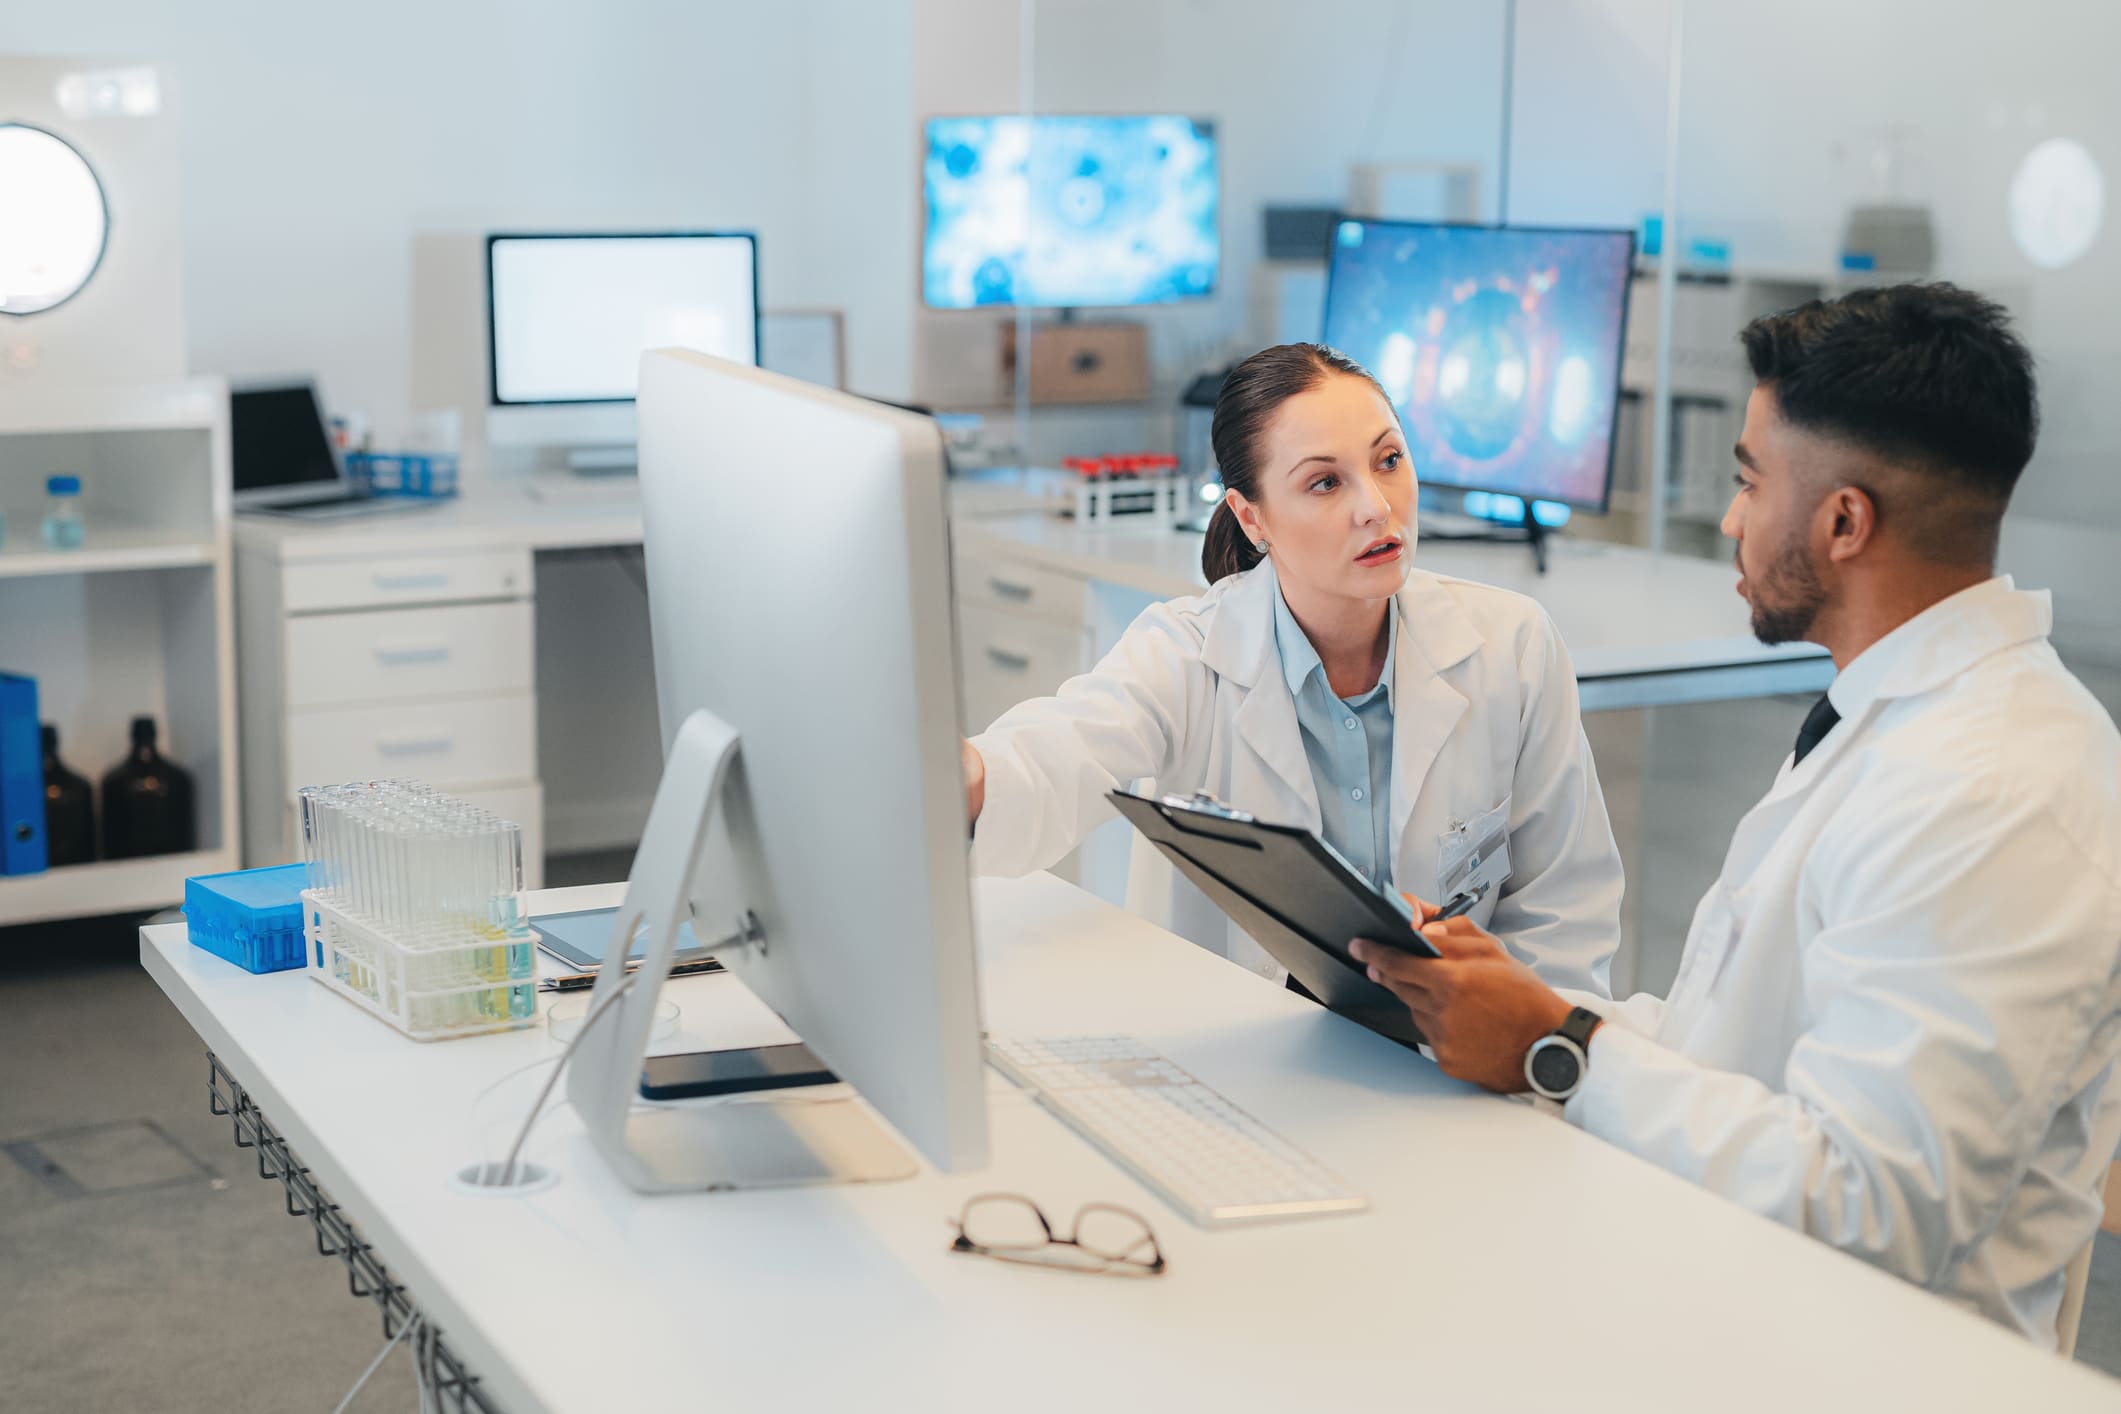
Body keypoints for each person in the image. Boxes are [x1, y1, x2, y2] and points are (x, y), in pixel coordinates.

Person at [1351, 283, 2121, 1345]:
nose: (1728, 519)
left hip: (1855, 1361)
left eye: (1750, 481)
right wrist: (1520, 1004)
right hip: (1730, 1289)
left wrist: (1559, 1045)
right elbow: (1736, 1049)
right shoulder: (1897, 716)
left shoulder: (1996, 788)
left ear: (1845, 521)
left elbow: (1872, 1207)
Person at [962, 342, 1622, 994]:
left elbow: (1562, 917)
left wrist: (1527, 1058)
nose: (1375, 506)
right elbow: (1051, 759)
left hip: (1455, 1073)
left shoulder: (1512, 647)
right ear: (1251, 519)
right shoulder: (1188, 656)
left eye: (1388, 460)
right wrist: (960, 777)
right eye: (1324, 482)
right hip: (1242, 1065)